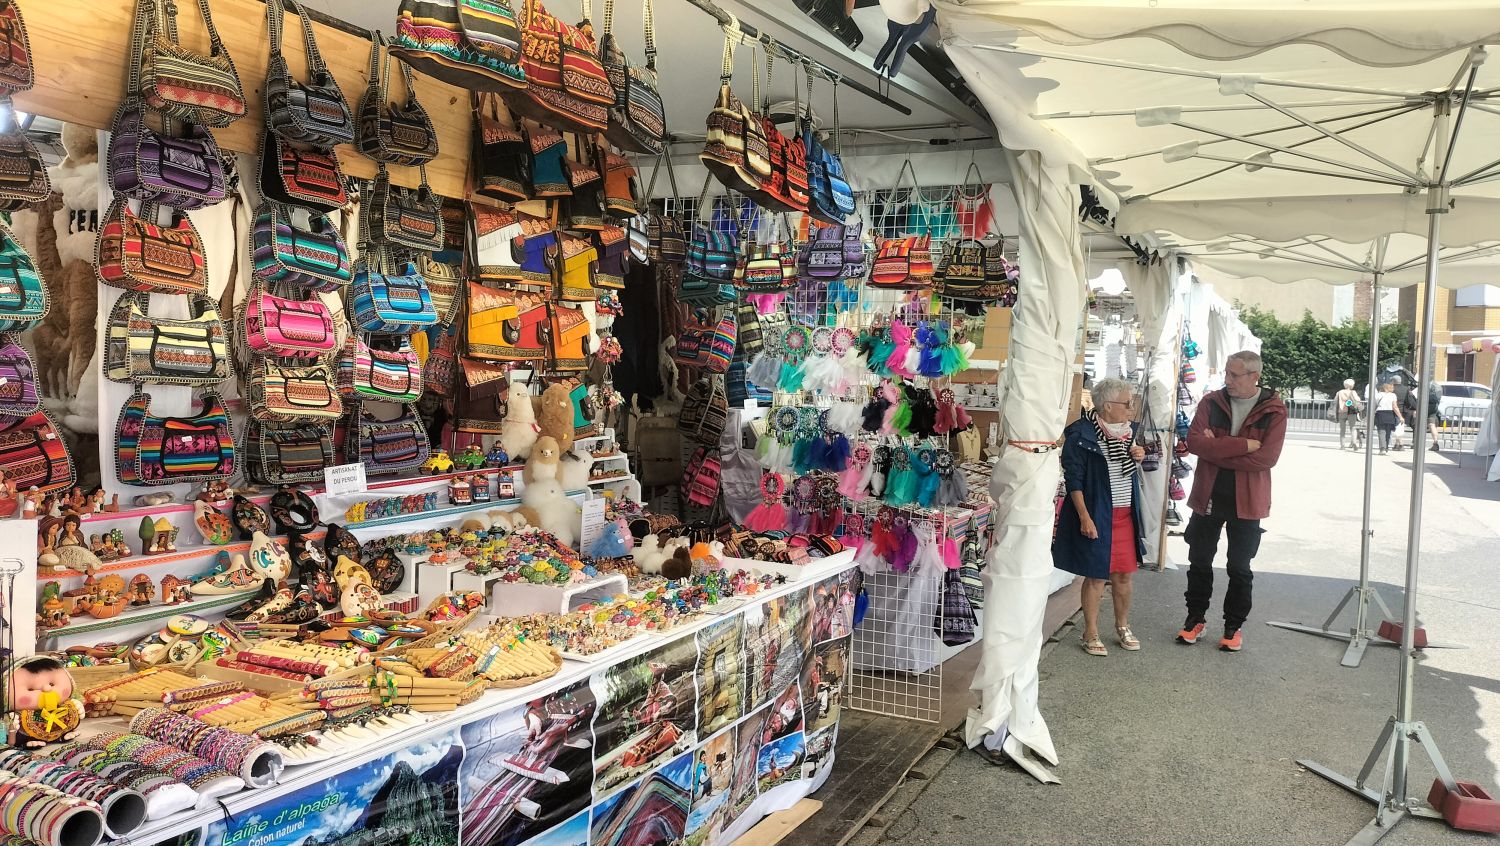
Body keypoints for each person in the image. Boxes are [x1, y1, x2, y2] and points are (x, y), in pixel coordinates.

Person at [1178, 351, 1287, 652]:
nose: (1228, 380)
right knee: (1199, 560)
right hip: (1208, 494)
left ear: (1255, 376)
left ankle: (1233, 627)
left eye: (1234, 375)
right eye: (1226, 373)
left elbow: (1267, 458)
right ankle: (1195, 619)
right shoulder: (1211, 402)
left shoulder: (1274, 410)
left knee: (1239, 567)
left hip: (1248, 500)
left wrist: (1218, 447)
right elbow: (1195, 443)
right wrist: (1243, 445)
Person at [1053, 378, 1146, 657]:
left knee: (1124, 575)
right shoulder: (1080, 434)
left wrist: (1137, 455)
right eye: (1127, 403)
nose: (1131, 409)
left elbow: (1126, 472)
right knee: (1094, 576)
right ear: (1107, 406)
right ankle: (1090, 632)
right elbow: (1074, 481)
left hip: (1126, 513)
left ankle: (1122, 625)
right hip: (1097, 513)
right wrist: (1084, 517)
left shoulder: (1128, 433)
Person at [1334, 378, 1364, 451]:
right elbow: (1358, 400)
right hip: (1351, 412)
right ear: (1352, 385)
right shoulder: (1353, 392)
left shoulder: (1339, 392)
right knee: (1353, 428)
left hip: (1341, 411)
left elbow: (1335, 401)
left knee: (1342, 429)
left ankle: (1342, 445)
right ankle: (1354, 443)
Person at [1372, 382, 1400, 454]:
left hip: (1380, 413)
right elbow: (1395, 407)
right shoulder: (1393, 395)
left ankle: (1382, 448)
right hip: (1390, 414)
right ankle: (1386, 447)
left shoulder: (1378, 395)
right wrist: (1400, 416)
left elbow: (1374, 406)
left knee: (1381, 432)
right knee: (1388, 432)